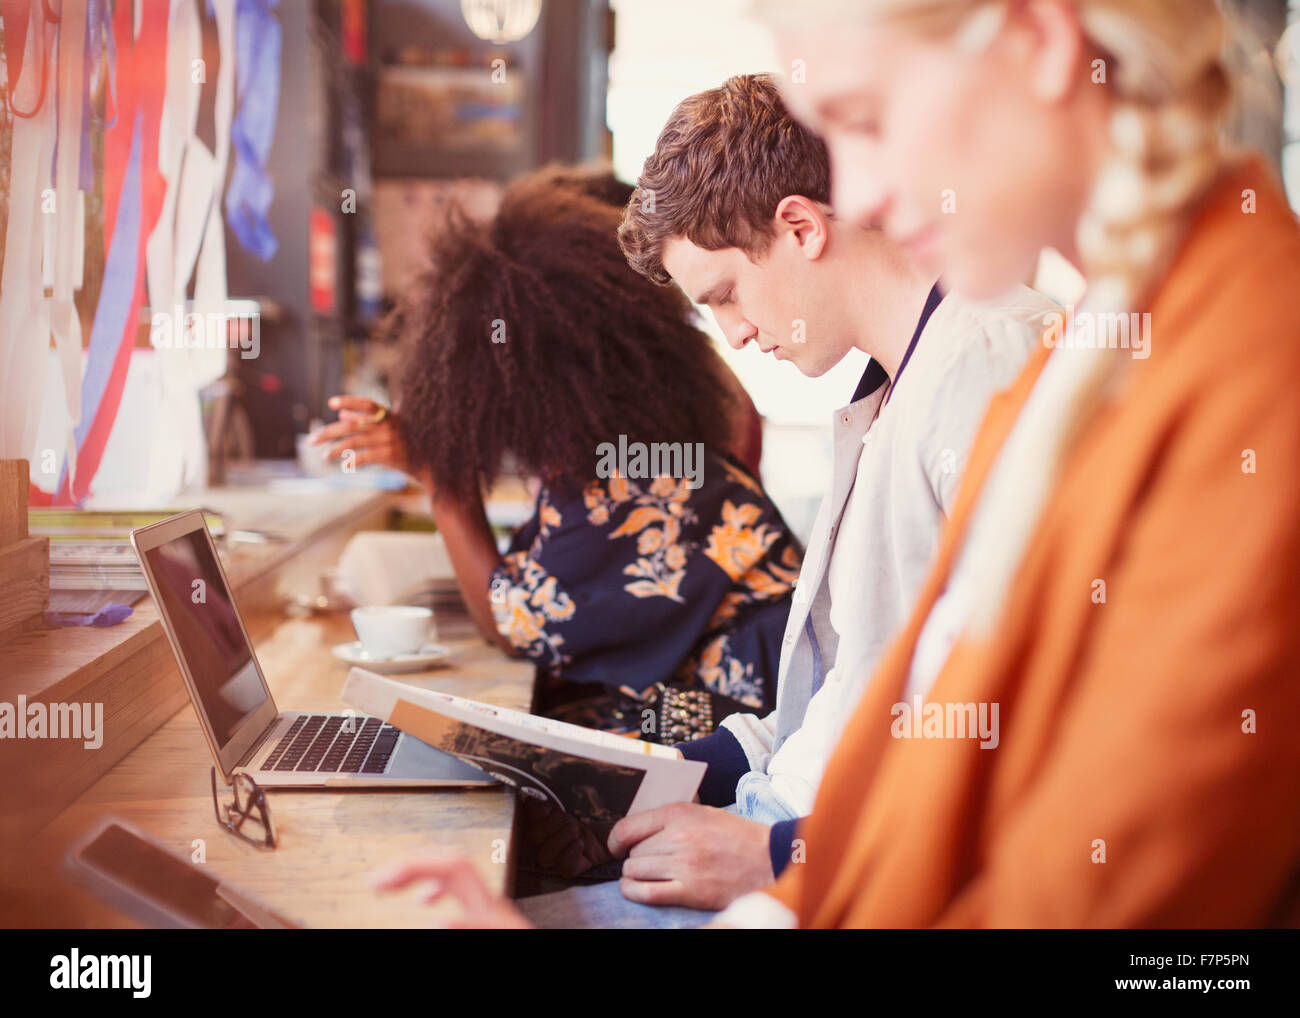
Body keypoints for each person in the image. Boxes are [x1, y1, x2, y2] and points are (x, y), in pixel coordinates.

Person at [378, 74, 1056, 928]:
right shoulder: (891, 394)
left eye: (727, 295)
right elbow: (850, 695)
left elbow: (1035, 742)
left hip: (834, 862)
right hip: (796, 821)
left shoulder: (989, 369)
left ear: (802, 227)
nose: (733, 334)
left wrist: (778, 855)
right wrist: (666, 774)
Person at [703, 0, 1300, 928]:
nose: (853, 197)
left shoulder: (1259, 373)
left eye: (866, 121)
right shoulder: (1075, 362)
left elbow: (1105, 897)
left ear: (1045, 44)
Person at [314, 165, 801, 738]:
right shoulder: (624, 450)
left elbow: (511, 621)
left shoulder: (631, 481)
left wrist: (439, 477)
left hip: (748, 738)